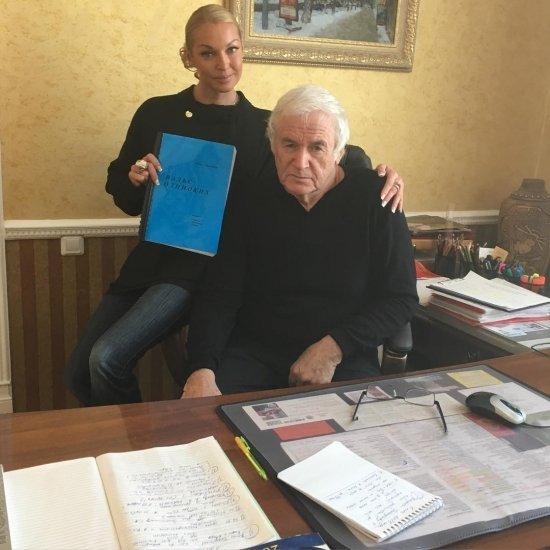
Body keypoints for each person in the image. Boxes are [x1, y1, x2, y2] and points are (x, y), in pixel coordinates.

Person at [64, 4, 406, 406]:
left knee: (105, 357)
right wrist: (136, 176)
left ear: (244, 50)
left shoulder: (261, 125)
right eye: (208, 52)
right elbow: (124, 194)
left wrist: (384, 176)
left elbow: (331, 152)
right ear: (188, 57)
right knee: (80, 370)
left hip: (204, 268)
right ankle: (123, 433)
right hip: (161, 258)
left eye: (232, 50)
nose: (223, 64)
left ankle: (129, 433)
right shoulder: (158, 113)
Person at [182, 84, 418, 398]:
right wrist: (201, 369)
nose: (301, 161)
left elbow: (400, 298)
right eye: (289, 144)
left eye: (317, 147)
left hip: (343, 354)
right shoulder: (248, 199)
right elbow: (219, 294)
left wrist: (333, 348)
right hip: (255, 354)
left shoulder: (378, 198)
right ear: (273, 146)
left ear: (339, 153)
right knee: (211, 419)